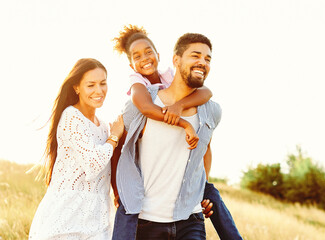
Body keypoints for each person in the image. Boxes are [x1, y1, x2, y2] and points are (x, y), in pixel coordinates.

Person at [112, 32, 243, 239]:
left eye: (207, 59)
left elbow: (205, 150)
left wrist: (200, 191)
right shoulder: (138, 103)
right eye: (195, 55)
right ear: (176, 60)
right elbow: (120, 149)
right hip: (146, 221)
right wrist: (119, 192)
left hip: (190, 221)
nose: (202, 62)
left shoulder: (211, 110)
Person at [29, 58, 124, 239]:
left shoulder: (104, 127)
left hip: (98, 218)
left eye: (103, 83)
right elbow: (93, 165)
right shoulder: (71, 117)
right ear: (77, 88)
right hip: (67, 217)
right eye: (91, 85)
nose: (99, 90)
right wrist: (114, 138)